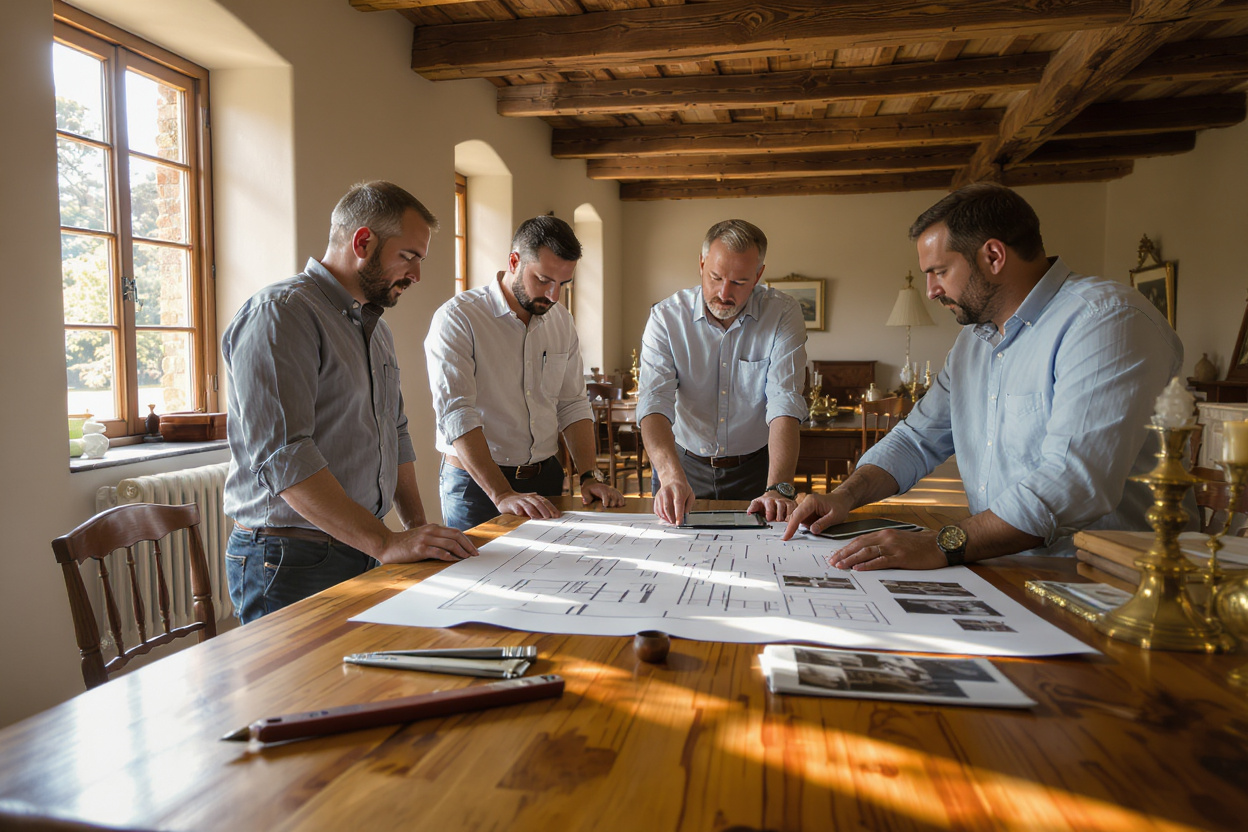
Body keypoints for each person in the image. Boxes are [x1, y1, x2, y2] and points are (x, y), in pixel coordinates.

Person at [783, 182, 1183, 569]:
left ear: (993, 256)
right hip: (998, 567)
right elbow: (916, 440)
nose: (931, 290)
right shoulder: (973, 344)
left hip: (1101, 582)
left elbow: (1071, 482)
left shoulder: (1105, 321)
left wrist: (940, 545)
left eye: (938, 271)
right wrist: (843, 496)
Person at [222, 181, 477, 624]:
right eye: (409, 257)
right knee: (299, 694)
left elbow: (394, 432)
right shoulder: (281, 313)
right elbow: (285, 456)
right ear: (363, 242)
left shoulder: (376, 329)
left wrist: (415, 528)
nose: (416, 275)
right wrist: (384, 542)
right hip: (289, 556)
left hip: (359, 544)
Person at [425, 215, 625, 531]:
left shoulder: (561, 321)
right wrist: (501, 493)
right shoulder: (458, 319)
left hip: (546, 478)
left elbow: (572, 404)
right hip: (476, 485)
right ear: (514, 261)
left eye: (563, 284)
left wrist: (589, 475)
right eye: (543, 279)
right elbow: (457, 415)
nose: (554, 295)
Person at [637, 219, 809, 525]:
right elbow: (653, 403)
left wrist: (779, 487)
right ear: (701, 264)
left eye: (740, 282)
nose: (724, 293)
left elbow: (784, 401)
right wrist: (669, 474)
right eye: (715, 277)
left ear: (758, 275)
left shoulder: (783, 312)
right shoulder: (666, 317)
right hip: (681, 464)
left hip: (756, 469)